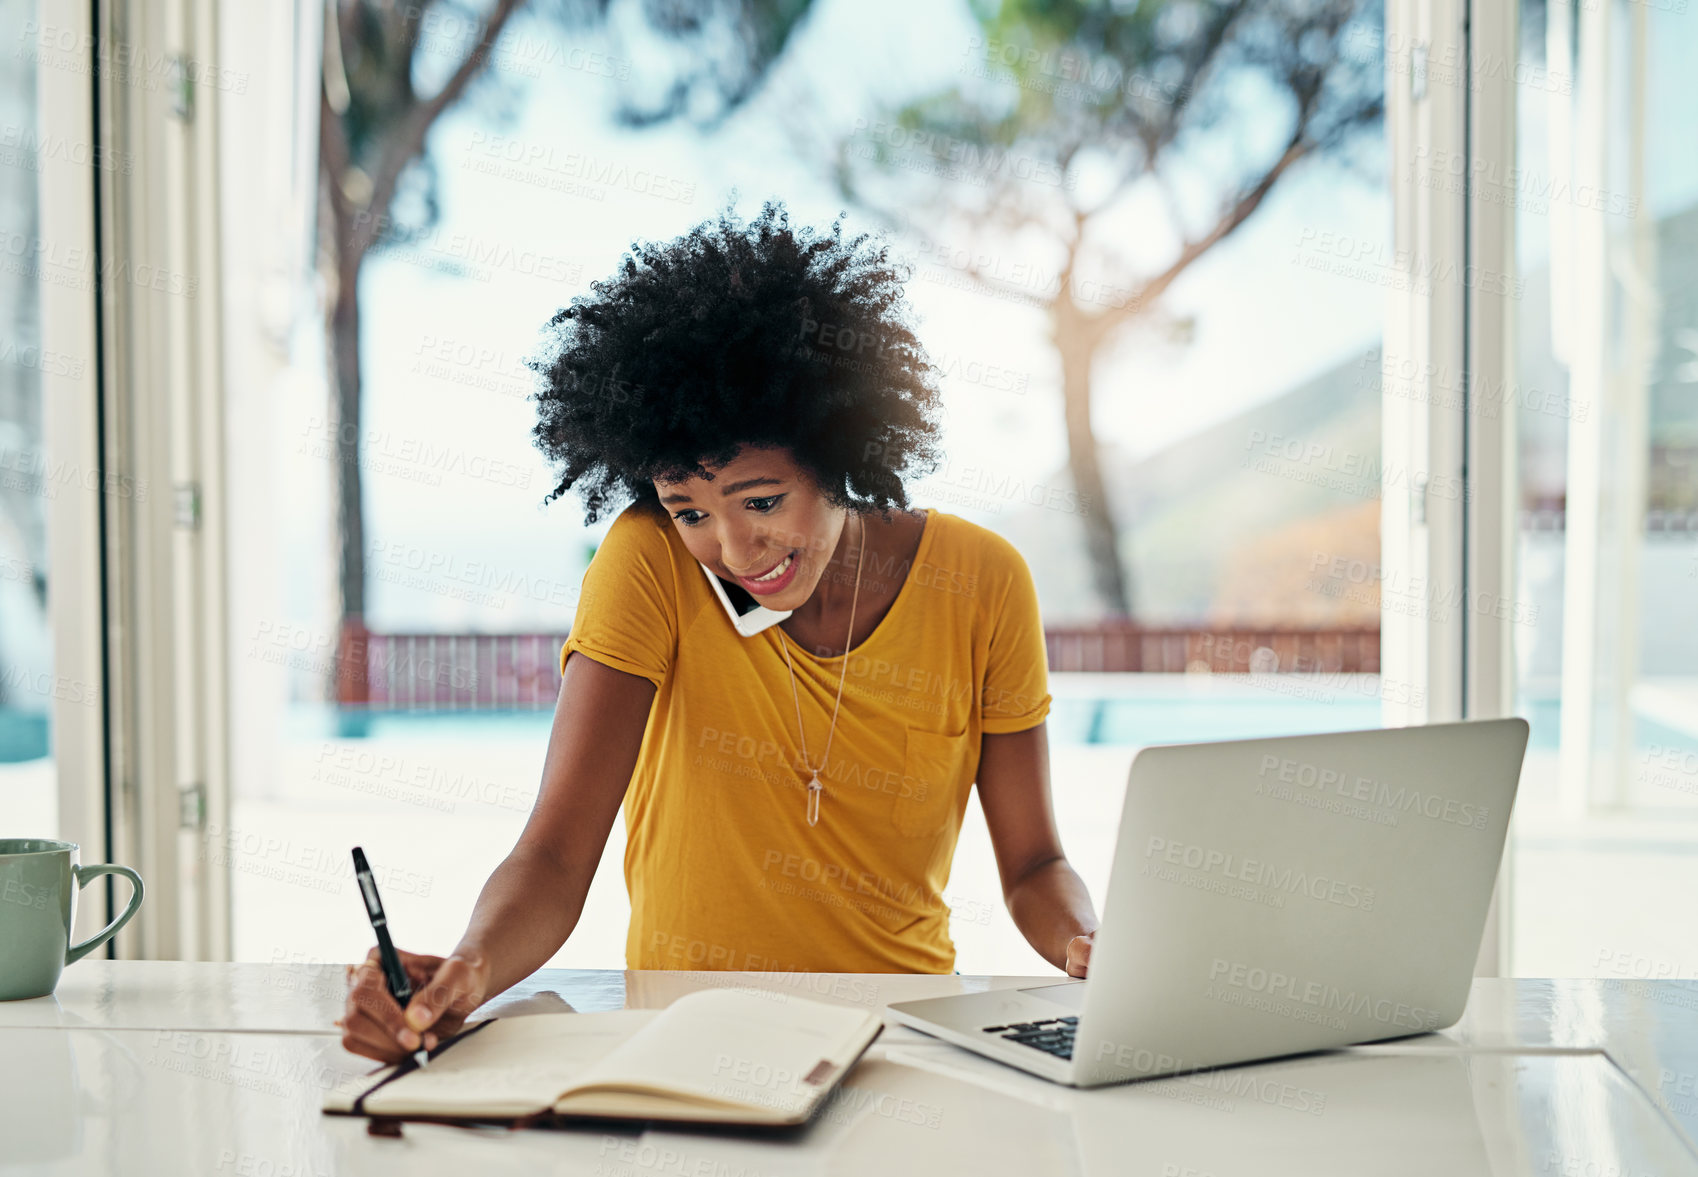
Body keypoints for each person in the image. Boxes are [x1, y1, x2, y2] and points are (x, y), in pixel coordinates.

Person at [337, 201, 1099, 1064]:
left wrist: (1089, 943)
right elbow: (553, 854)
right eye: (689, 508)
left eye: (763, 501)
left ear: (841, 448)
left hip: (901, 1040)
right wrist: (469, 970)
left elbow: (1036, 864)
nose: (734, 551)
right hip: (683, 1045)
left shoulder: (983, 581)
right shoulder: (648, 565)